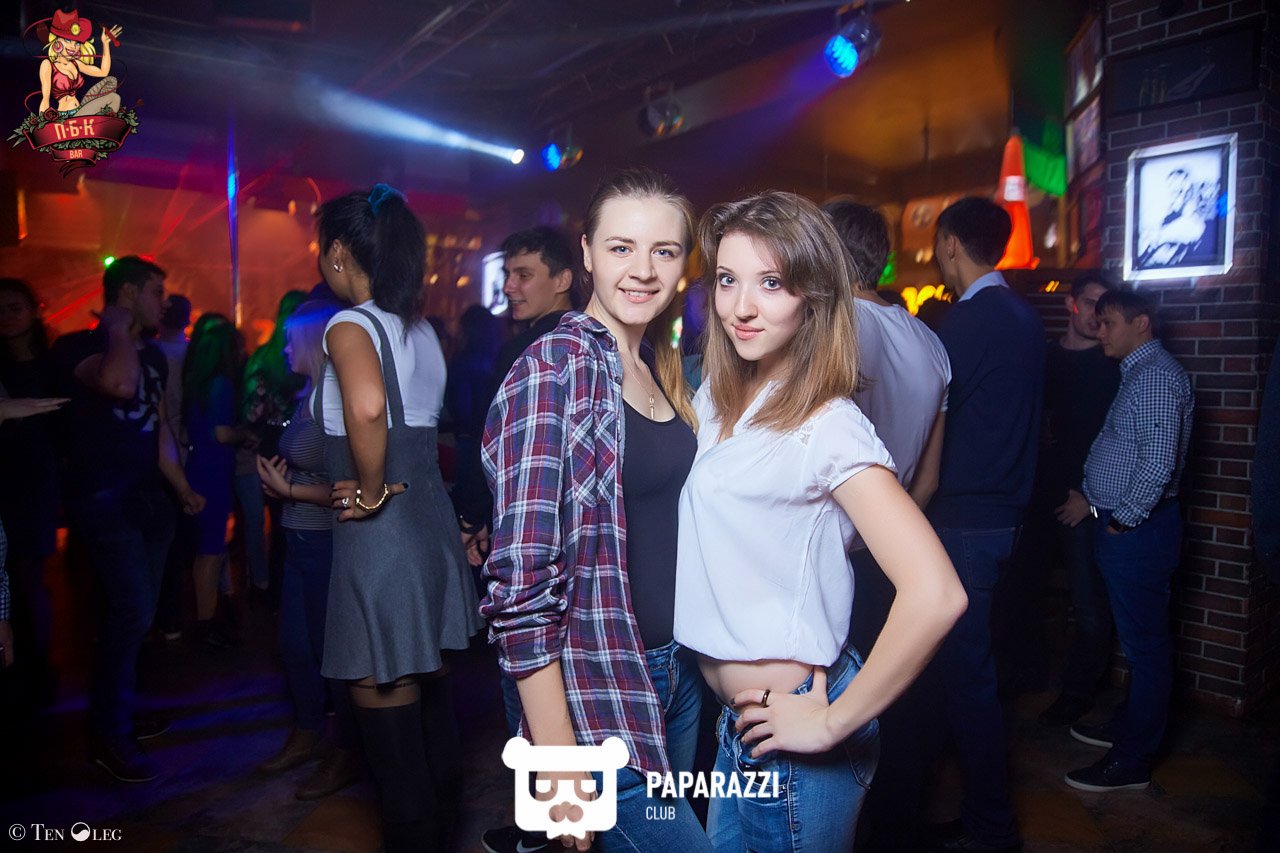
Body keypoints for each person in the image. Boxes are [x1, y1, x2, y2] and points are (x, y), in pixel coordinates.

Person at [673, 191, 966, 853]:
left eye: (772, 283)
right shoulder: (719, 398)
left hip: (794, 741)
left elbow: (937, 593)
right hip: (738, 729)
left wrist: (834, 723)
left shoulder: (827, 425)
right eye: (728, 279)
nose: (741, 306)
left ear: (814, 295)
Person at [480, 169, 712, 853]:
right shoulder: (555, 366)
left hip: (677, 674)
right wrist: (556, 763)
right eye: (620, 248)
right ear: (585, 253)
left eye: (664, 251)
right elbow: (520, 580)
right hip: (599, 685)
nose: (643, 270)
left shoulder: (657, 365)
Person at [314, 184, 480, 852]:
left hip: (381, 537)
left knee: (391, 744)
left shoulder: (349, 325)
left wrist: (371, 491)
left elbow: (367, 406)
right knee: (431, 718)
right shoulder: (422, 330)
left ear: (337, 252)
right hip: (431, 527)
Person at [821, 201, 952, 851]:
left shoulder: (831, 329)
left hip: (834, 555)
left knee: (830, 712)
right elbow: (927, 479)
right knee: (898, 702)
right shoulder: (929, 341)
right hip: (896, 552)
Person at [50, 255, 205, 782]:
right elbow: (117, 385)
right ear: (128, 294)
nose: (165, 301)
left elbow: (158, 429)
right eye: (156, 291)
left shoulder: (155, 357)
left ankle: (120, 713)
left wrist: (182, 488)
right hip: (104, 501)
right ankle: (108, 734)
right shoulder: (77, 347)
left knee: (137, 616)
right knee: (132, 610)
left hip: (149, 501)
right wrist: (116, 328)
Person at [922, 196, 1045, 852]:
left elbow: (927, 417)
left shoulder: (966, 322)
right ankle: (976, 810)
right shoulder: (1023, 315)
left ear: (949, 242)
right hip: (1006, 518)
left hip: (965, 518)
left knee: (965, 678)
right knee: (968, 671)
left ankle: (991, 826)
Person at [1062, 288, 1192, 793]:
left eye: (1110, 322)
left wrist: (1124, 521)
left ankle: (1133, 759)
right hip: (1128, 528)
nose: (1100, 331)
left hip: (1139, 531)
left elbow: (1157, 464)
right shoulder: (1139, 372)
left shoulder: (1155, 376)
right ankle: (1129, 728)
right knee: (1140, 642)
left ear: (1141, 324)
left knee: (1146, 648)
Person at [256, 299, 360, 800]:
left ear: (316, 342)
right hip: (297, 539)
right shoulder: (310, 394)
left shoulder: (336, 400)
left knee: (331, 653)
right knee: (295, 646)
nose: (282, 347)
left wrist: (289, 489)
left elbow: (351, 486)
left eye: (289, 338)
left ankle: (346, 751)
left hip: (326, 541)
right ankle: (307, 731)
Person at [455, 225, 579, 568]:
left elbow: (491, 440)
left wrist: (471, 517)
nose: (509, 286)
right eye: (508, 275)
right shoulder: (593, 337)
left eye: (523, 275)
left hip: (530, 529)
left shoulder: (524, 350)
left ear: (562, 280)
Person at [1026, 275, 1121, 726]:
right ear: (1070, 304)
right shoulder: (1045, 358)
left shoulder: (1111, 365)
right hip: (1037, 494)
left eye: (1104, 307)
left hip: (1085, 500)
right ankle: (1025, 676)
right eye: (1089, 302)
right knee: (1025, 590)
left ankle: (1078, 693)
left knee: (1088, 602)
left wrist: (1091, 497)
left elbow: (1119, 441)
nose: (1096, 315)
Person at [0, 279, 63, 707]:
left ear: (34, 310)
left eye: (14, 307)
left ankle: (35, 666)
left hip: (36, 479)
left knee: (27, 574)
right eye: (0, 309)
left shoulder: (51, 363)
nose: (6, 316)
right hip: (3, 477)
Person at [183, 313, 253, 648]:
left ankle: (206, 620)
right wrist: (246, 434)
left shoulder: (196, 383)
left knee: (205, 551)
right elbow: (222, 433)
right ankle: (207, 624)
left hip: (198, 468)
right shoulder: (222, 384)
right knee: (211, 552)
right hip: (214, 472)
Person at [238, 290, 308, 604]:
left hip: (268, 444)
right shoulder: (309, 357)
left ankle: (268, 589)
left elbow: (251, 411)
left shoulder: (263, 358)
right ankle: (284, 593)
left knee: (271, 521)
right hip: (299, 443)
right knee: (293, 522)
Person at [153, 294, 193, 640]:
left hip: (159, 446)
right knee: (178, 533)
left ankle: (162, 616)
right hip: (184, 445)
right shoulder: (191, 352)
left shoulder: (152, 352)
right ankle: (172, 616)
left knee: (164, 536)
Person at [36, 10, 123, 118]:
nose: (73, 47)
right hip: (65, 117)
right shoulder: (48, 65)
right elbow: (45, 99)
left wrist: (105, 44)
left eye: (77, 43)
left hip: (80, 111)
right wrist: (43, 123)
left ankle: (103, 124)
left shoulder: (76, 63)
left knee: (113, 89)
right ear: (57, 41)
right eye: (68, 41)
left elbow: (103, 72)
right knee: (114, 97)